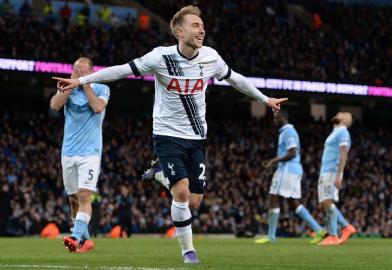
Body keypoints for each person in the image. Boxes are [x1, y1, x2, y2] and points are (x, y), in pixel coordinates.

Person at [52, 5, 287, 263]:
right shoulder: (160, 57)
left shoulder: (211, 58)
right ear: (179, 30)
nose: (202, 29)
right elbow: (120, 70)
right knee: (182, 193)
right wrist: (81, 81)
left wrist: (265, 99)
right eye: (195, 25)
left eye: (202, 25)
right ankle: (188, 252)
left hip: (197, 138)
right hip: (166, 135)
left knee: (195, 202)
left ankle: (162, 175)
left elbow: (235, 79)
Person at [50, 57, 110, 253]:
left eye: (82, 68)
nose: (78, 71)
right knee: (74, 199)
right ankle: (87, 241)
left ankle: (75, 237)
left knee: (84, 196)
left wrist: (84, 83)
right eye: (76, 68)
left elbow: (98, 107)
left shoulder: (102, 89)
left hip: (90, 153)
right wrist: (69, 86)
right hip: (68, 152)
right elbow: (54, 106)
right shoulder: (68, 88)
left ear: (92, 71)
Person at [254, 111, 326, 244]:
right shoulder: (285, 132)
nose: (275, 120)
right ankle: (319, 230)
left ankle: (271, 236)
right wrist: (273, 162)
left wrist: (273, 161)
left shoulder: (288, 132)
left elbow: (292, 153)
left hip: (287, 170)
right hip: (292, 170)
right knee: (294, 205)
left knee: (273, 198)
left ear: (284, 117)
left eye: (277, 118)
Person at [318, 112, 357, 246]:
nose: (337, 114)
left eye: (341, 114)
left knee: (328, 201)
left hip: (332, 171)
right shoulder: (335, 132)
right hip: (326, 171)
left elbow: (344, 152)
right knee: (325, 202)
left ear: (345, 120)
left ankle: (334, 236)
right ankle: (345, 228)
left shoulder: (343, 132)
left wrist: (339, 174)